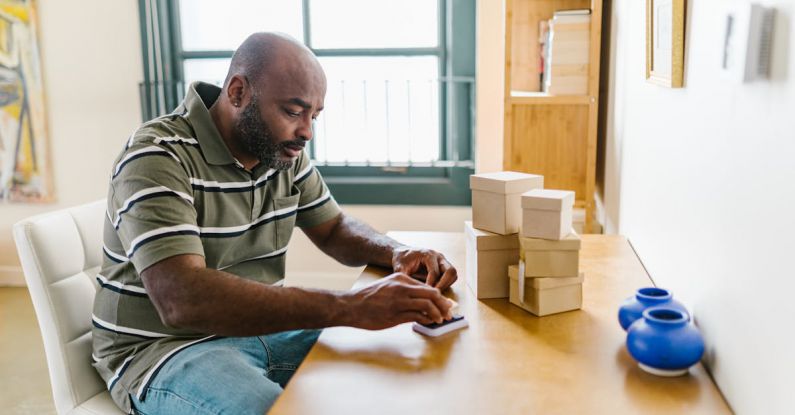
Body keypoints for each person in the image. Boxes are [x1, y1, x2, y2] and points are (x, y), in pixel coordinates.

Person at [92, 32, 457, 415]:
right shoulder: (157, 156)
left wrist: (396, 252)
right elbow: (182, 299)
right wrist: (349, 305)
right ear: (237, 92)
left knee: (399, 361)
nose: (307, 132)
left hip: (259, 330)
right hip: (164, 351)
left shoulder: (280, 153)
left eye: (314, 116)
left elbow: (333, 229)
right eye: (293, 111)